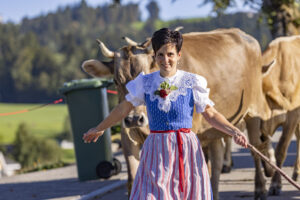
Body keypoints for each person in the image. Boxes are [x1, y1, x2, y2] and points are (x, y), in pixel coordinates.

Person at [83, 28, 248, 200]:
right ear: (154, 56)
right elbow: (123, 108)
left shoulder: (192, 81)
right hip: (156, 151)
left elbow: (211, 114)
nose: (165, 60)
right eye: (160, 54)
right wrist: (100, 128)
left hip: (186, 151)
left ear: (178, 55)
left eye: (170, 54)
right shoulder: (145, 83)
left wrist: (234, 131)